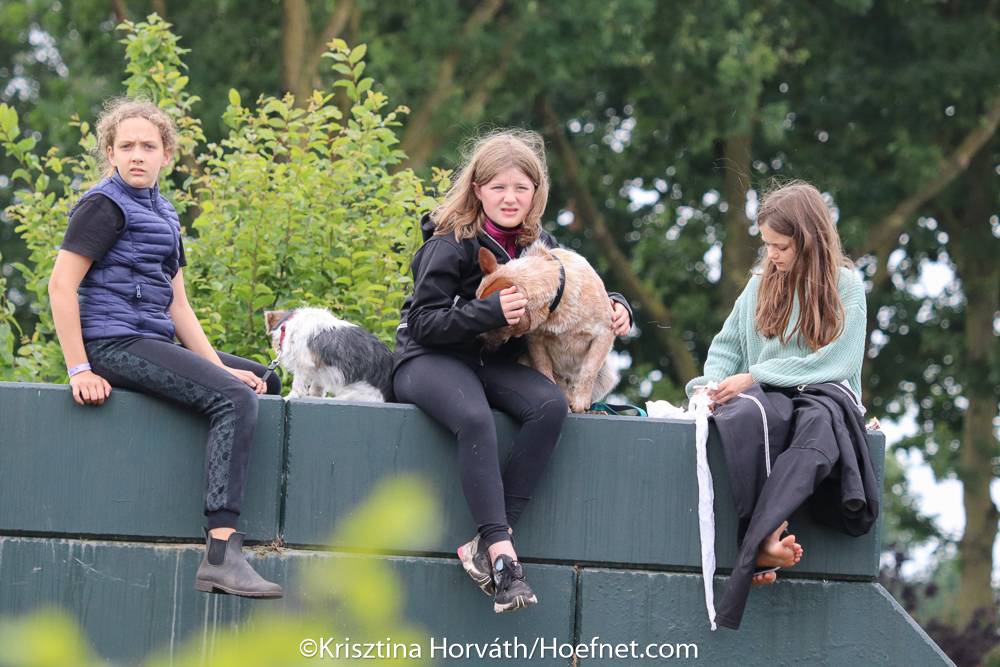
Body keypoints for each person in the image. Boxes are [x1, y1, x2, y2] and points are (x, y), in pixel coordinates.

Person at [47, 97, 283, 599]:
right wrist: (79, 368)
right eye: (126, 146)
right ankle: (221, 553)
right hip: (113, 343)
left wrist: (217, 366)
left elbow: (178, 305)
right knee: (235, 399)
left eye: (148, 146)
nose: (137, 154)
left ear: (167, 154)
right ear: (110, 153)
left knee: (265, 379)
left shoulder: (163, 211)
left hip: (152, 338)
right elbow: (60, 286)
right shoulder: (103, 205)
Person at [393, 129, 632, 613]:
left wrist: (617, 303)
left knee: (549, 406)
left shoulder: (539, 247)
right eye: (498, 187)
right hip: (427, 358)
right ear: (477, 190)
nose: (510, 198)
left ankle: (486, 544)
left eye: (521, 188)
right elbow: (422, 322)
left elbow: (573, 288)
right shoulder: (448, 242)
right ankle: (504, 560)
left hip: (493, 363)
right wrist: (489, 312)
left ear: (535, 194)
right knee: (475, 418)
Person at [686, 180, 868, 588]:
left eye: (781, 246)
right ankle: (764, 541)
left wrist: (756, 375)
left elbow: (837, 362)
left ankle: (762, 538)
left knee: (810, 423)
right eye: (766, 244)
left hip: (823, 395)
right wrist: (710, 388)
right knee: (748, 416)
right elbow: (727, 347)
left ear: (810, 241)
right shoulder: (759, 284)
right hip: (765, 397)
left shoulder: (847, 287)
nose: (772, 254)